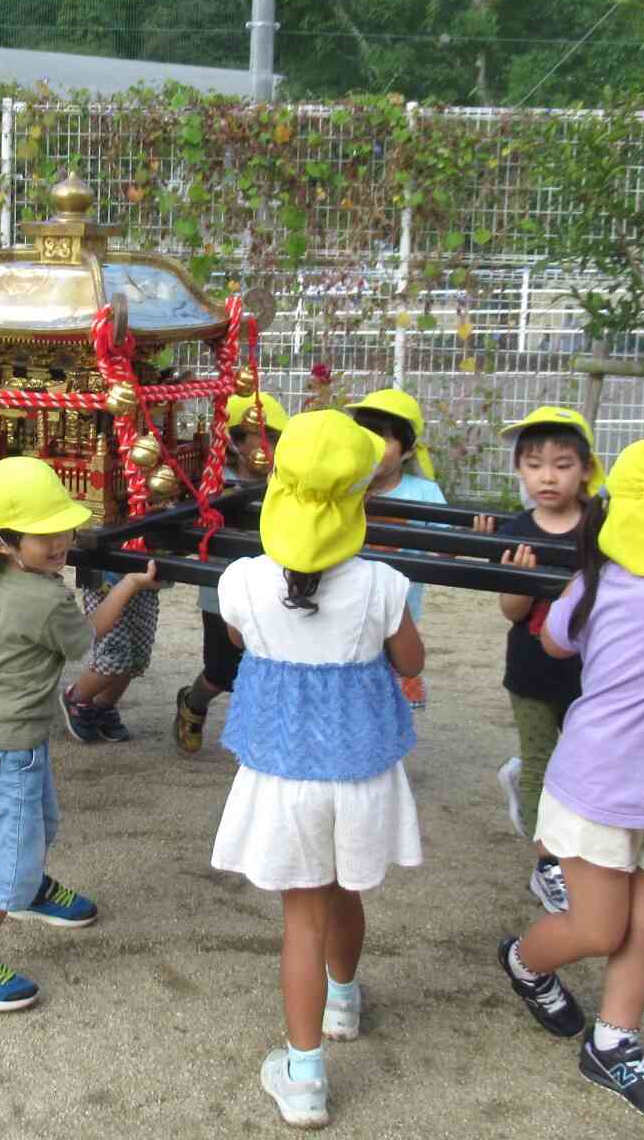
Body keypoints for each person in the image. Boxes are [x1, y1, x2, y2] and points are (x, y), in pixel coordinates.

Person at [497, 436, 644, 1125]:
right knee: (601, 928)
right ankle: (524, 961)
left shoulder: (597, 581)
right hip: (600, 789)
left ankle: (613, 1042)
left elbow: (554, 640)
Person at [211, 410, 425, 1130]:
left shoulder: (243, 580)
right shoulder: (383, 584)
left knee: (302, 918)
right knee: (346, 889)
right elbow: (411, 661)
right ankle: (344, 1000)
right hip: (357, 772)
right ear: (358, 495)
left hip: (285, 774)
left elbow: (240, 636)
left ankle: (303, 1076)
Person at [0, 457, 162, 1012]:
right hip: (8, 744)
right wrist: (129, 585)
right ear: (5, 541)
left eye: (63, 528)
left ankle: (31, 887)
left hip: (10, 737)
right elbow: (88, 635)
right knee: (9, 861)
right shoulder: (43, 599)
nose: (60, 542)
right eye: (44, 535)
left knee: (40, 824)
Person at [482, 406, 604, 914]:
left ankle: (585, 849)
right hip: (531, 671)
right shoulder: (517, 528)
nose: (547, 477)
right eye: (534, 465)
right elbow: (511, 612)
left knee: (585, 764)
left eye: (562, 464)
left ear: (586, 470)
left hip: (594, 671)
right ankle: (548, 863)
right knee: (540, 764)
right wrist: (523, 580)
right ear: (520, 471)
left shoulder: (603, 525)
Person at [172, 390, 288, 755]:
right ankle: (193, 702)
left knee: (269, 662)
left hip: (272, 587)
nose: (270, 447)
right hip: (221, 590)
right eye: (262, 437)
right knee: (221, 671)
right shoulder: (212, 480)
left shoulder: (285, 481)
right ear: (234, 442)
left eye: (276, 439)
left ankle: (262, 738)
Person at [345, 388, 446, 709]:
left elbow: (445, 551)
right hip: (344, 611)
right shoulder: (341, 487)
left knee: (390, 704)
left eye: (383, 438)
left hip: (399, 618)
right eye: (363, 435)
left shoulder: (424, 494)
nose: (371, 445)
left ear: (407, 451)